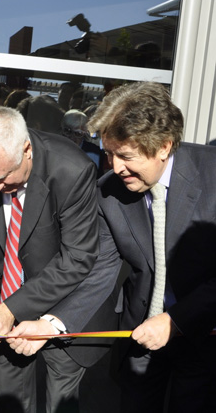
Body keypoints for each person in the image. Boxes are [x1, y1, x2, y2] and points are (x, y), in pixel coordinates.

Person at [0, 106, 110, 412]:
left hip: (62, 308)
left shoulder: (71, 170)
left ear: (26, 150)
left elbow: (77, 257)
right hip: (6, 310)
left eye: (2, 177)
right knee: (12, 401)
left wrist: (12, 308)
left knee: (59, 404)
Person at [83, 81, 216, 412]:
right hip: (141, 336)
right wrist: (50, 322)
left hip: (206, 335)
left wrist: (175, 321)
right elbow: (99, 270)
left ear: (164, 146)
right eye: (109, 154)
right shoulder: (109, 191)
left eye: (126, 156)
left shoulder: (212, 175)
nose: (115, 167)